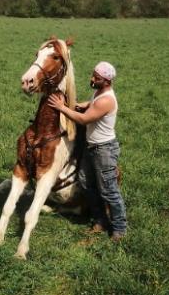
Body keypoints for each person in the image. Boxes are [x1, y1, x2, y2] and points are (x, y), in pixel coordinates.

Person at [48, 61, 127, 241]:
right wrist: (79, 104)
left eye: (97, 78)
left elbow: (84, 120)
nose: (92, 79)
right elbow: (91, 104)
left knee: (109, 190)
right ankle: (100, 220)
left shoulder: (107, 99)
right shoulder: (99, 93)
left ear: (107, 81)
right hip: (92, 147)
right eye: (93, 74)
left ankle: (119, 229)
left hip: (104, 150)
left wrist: (62, 107)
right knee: (86, 183)